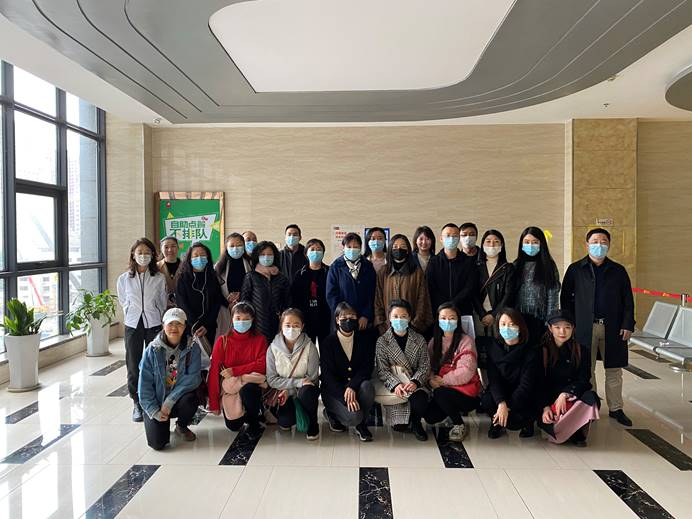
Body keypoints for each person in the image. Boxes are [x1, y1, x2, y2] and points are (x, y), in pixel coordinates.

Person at [560, 228, 635, 427]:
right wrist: (569, 325)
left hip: (613, 327)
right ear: (587, 245)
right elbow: (565, 299)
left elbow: (628, 300)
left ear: (609, 244)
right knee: (586, 368)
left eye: (603, 241)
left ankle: (616, 408)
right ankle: (590, 407)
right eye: (594, 241)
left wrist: (628, 323)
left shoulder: (618, 271)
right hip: (584, 327)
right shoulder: (576, 269)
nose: (599, 245)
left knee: (614, 369)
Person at [117, 237, 167, 422]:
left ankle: (154, 398)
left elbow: (162, 300)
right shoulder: (124, 278)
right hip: (133, 324)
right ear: (133, 254)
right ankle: (137, 402)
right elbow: (123, 300)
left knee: (155, 361)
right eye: (140, 252)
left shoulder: (159, 278)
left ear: (153, 255)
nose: (143, 256)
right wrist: (131, 311)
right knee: (133, 363)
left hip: (153, 322)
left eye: (147, 253)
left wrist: (157, 314)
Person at [138, 308, 201, 450]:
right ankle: (159, 422)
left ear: (184, 326)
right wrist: (154, 410)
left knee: (191, 399)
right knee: (157, 444)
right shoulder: (152, 350)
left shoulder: (192, 348)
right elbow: (144, 385)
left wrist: (170, 401)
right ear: (163, 325)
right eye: (170, 324)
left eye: (178, 324)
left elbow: (193, 378)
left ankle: (181, 426)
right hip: (156, 401)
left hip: (177, 400)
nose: (174, 328)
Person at [538, 310, 599, 446]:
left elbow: (584, 379)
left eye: (567, 327)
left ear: (573, 329)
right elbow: (538, 383)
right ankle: (567, 429)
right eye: (557, 327)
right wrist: (545, 407)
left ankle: (572, 431)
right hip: (549, 401)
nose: (562, 331)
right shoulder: (541, 351)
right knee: (549, 418)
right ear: (550, 328)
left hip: (571, 397)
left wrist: (565, 394)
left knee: (591, 398)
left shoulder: (581, 350)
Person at [207, 301, 267, 439]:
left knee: (249, 389)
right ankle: (245, 412)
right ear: (232, 318)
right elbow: (214, 372)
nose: (242, 322)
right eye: (238, 318)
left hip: (252, 385)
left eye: (246, 319)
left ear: (253, 320)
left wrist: (235, 371)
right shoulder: (223, 341)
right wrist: (214, 403)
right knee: (233, 426)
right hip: (231, 389)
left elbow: (262, 365)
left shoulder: (260, 339)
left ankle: (253, 421)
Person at [374, 299, 431, 441]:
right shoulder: (382, 341)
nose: (399, 320)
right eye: (395, 316)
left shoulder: (419, 339)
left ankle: (416, 423)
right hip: (395, 385)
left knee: (420, 399)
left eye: (403, 316)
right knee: (400, 426)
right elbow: (382, 370)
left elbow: (424, 365)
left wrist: (415, 382)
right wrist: (396, 385)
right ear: (389, 318)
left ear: (410, 318)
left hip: (414, 383)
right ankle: (405, 420)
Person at [320, 302, 376, 442]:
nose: (348, 320)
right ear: (337, 320)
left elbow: (367, 368)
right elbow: (327, 376)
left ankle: (361, 426)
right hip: (334, 392)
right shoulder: (328, 343)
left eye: (352, 316)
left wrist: (352, 387)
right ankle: (331, 413)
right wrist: (344, 395)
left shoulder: (364, 340)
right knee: (354, 417)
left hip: (355, 388)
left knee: (368, 387)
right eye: (344, 317)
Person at [425, 303, 481, 442]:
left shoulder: (466, 341)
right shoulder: (434, 342)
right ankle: (450, 411)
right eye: (443, 318)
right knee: (430, 417)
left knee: (440, 393)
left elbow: (466, 371)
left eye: (452, 318)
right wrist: (431, 379)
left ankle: (459, 424)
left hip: (466, 393)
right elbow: (428, 366)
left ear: (458, 320)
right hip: (443, 389)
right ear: (438, 320)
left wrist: (443, 381)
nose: (447, 322)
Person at [482, 308, 541, 439]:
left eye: (512, 324)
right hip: (503, 392)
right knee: (487, 399)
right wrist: (501, 403)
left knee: (521, 415)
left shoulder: (530, 351)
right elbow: (494, 380)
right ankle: (497, 422)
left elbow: (526, 385)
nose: (507, 328)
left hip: (522, 394)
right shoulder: (493, 348)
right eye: (503, 324)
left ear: (520, 327)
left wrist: (507, 407)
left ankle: (527, 423)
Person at [266, 308, 321, 440]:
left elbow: (312, 379)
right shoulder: (272, 349)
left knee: (308, 391)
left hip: (304, 393)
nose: (291, 329)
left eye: (296, 325)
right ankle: (293, 415)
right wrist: (297, 383)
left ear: (302, 326)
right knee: (285, 422)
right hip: (283, 394)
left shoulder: (310, 347)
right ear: (281, 326)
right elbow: (272, 379)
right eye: (288, 325)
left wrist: (293, 388)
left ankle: (313, 423)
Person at [374, 234, 432, 335]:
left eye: (403, 247)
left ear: (408, 250)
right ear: (390, 249)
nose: (399, 249)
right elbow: (378, 300)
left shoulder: (417, 272)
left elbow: (422, 300)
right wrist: (382, 324)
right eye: (395, 246)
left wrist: (415, 325)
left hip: (412, 328)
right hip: (387, 328)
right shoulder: (383, 272)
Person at [513, 226, 560, 344]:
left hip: (540, 320)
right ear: (521, 244)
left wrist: (550, 321)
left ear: (541, 244)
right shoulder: (516, 265)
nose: (530, 245)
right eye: (527, 242)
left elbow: (553, 296)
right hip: (518, 319)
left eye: (535, 242)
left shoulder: (548, 265)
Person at [175, 242, 225, 350]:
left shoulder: (212, 276)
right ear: (189, 258)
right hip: (189, 326)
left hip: (209, 327)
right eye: (195, 255)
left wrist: (206, 325)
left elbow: (216, 302)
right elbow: (182, 303)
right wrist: (195, 325)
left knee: (207, 355)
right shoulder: (182, 278)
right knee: (189, 355)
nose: (199, 258)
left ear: (208, 257)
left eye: (203, 255)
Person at [240, 241, 290, 342]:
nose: (266, 257)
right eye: (262, 254)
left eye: (269, 254)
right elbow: (244, 301)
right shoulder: (251, 277)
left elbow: (288, 302)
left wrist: (283, 317)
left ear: (275, 256)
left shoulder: (282, 278)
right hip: (256, 325)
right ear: (257, 257)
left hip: (277, 325)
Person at [326, 232, 377, 331]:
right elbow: (331, 295)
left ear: (360, 248)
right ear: (343, 248)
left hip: (363, 320)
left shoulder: (368, 266)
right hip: (342, 319)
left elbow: (372, 293)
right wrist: (342, 316)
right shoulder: (335, 267)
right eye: (349, 247)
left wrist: (366, 315)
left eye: (355, 247)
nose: (352, 249)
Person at [426, 223, 478, 316]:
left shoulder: (468, 261)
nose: (451, 239)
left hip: (463, 310)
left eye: (455, 236)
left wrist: (454, 303)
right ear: (441, 239)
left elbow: (469, 287)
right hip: (440, 311)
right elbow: (430, 286)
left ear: (459, 238)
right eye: (448, 235)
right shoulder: (434, 262)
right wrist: (445, 305)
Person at [290, 238, 331, 348]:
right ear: (306, 253)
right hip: (306, 319)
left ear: (323, 253)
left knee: (326, 349)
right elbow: (294, 297)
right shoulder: (300, 274)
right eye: (312, 249)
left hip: (325, 318)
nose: (316, 252)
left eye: (319, 249)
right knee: (307, 351)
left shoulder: (330, 272)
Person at [474, 229, 515, 336]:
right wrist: (482, 314)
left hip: (500, 315)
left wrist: (494, 314)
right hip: (478, 314)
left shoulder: (508, 268)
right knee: (479, 342)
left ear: (502, 245)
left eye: (496, 241)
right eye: (488, 241)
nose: (492, 245)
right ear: (482, 245)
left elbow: (508, 294)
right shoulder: (475, 266)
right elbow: (472, 292)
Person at [215, 233, 252, 337]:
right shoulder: (219, 266)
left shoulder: (251, 263)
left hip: (246, 305)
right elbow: (214, 289)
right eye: (232, 246)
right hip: (225, 307)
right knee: (226, 335)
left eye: (239, 245)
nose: (235, 249)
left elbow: (254, 286)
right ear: (226, 248)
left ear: (244, 246)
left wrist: (241, 296)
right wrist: (228, 303)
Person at [157, 236, 180, 308]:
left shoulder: (185, 267)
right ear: (161, 249)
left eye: (173, 246)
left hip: (182, 306)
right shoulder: (156, 267)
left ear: (178, 248)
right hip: (161, 306)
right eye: (166, 247)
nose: (170, 250)